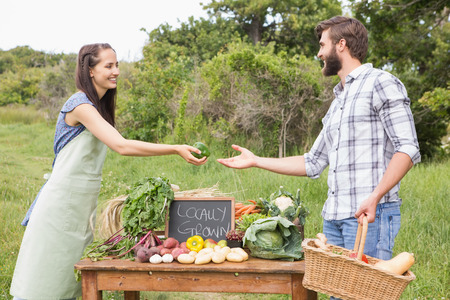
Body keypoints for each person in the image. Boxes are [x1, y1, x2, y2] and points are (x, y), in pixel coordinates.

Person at [10, 43, 206, 300]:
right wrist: (175, 148)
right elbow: (121, 146)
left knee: (67, 280)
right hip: (60, 204)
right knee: (46, 278)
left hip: (80, 202)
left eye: (117, 65)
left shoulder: (97, 105)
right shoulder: (80, 105)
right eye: (108, 65)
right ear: (90, 70)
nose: (116, 71)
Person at [218, 16, 421, 262]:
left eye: (323, 45)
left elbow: (408, 149)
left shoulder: (381, 83)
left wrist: (375, 196)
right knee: (336, 296)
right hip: (333, 220)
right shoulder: (338, 102)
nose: (319, 53)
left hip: (369, 217)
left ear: (342, 45)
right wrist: (256, 160)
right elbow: (313, 162)